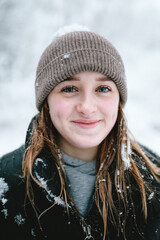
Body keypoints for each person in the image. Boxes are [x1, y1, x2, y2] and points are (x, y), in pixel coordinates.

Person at [0, 25, 160, 240]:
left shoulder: (154, 181)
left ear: (118, 101)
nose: (87, 107)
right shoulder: (6, 182)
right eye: (69, 89)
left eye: (102, 89)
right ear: (46, 99)